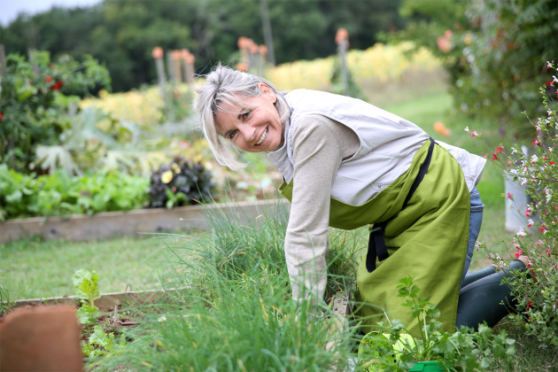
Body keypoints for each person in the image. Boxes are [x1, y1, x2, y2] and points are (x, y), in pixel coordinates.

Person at [194, 65, 528, 335]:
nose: (248, 134)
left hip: (440, 200)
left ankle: (521, 281)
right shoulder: (286, 122)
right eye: (232, 134)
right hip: (406, 213)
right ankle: (497, 276)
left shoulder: (310, 128)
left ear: (265, 92)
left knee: (411, 339)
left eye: (245, 115)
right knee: (374, 320)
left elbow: (305, 232)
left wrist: (304, 321)